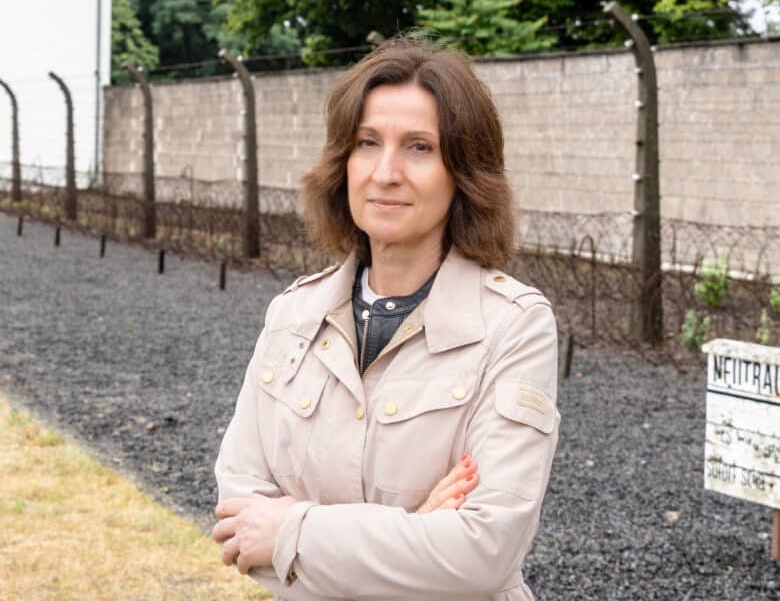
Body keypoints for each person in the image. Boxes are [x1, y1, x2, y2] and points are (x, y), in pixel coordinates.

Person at [212, 38, 560, 600]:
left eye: (420, 147)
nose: (386, 172)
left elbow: (482, 554)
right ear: (342, 163)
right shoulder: (293, 315)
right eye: (367, 143)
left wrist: (291, 532)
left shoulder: (513, 327)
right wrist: (419, 530)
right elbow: (237, 522)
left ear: (464, 172)